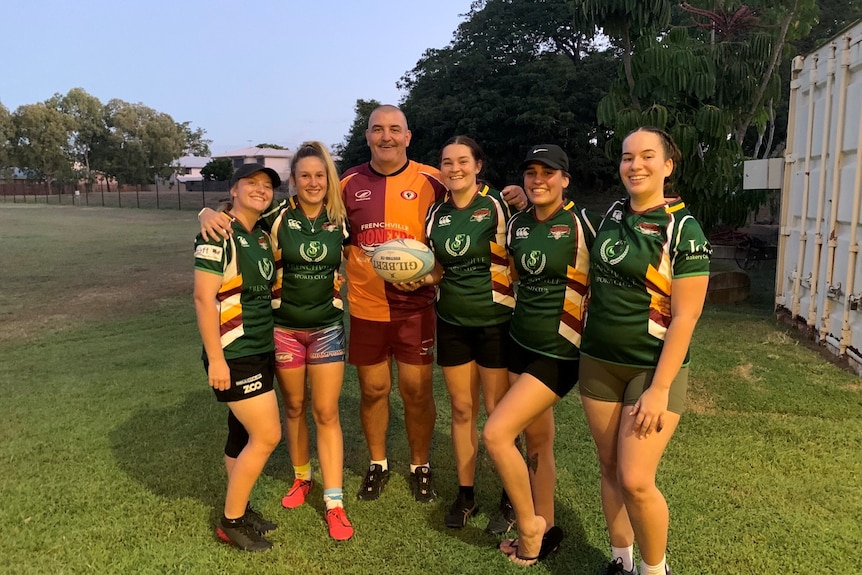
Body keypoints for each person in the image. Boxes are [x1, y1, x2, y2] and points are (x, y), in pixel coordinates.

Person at [340, 105, 528, 504]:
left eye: (395, 129)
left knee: (417, 392)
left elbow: (472, 193)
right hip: (367, 307)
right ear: (368, 135)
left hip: (418, 307)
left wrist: (516, 193)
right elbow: (312, 216)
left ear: (408, 136)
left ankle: (420, 465)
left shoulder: (433, 179)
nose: (386, 136)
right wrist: (214, 212)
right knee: (373, 390)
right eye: (378, 130)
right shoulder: (347, 182)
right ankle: (378, 463)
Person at [578, 127, 710, 575]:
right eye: (626, 157)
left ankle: (655, 571)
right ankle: (621, 560)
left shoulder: (683, 227)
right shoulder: (615, 212)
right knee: (610, 467)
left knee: (636, 480)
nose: (635, 165)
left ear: (667, 166)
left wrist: (659, 388)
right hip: (598, 361)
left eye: (647, 156)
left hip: (650, 370)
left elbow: (686, 318)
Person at [482, 144, 597, 566]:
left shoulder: (582, 223)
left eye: (548, 172)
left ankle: (528, 525)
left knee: (495, 434)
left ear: (564, 179)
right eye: (531, 172)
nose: (538, 180)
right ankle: (547, 526)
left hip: (560, 351)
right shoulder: (518, 226)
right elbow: (510, 278)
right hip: (520, 344)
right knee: (537, 440)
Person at [399, 135, 515, 529]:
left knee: (498, 414)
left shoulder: (498, 205)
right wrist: (417, 277)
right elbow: (437, 269)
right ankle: (466, 496)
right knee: (462, 410)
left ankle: (509, 498)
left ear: (478, 165)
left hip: (496, 323)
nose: (455, 169)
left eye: (463, 161)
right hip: (451, 322)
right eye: (447, 162)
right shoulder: (437, 213)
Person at [264, 142, 353, 541]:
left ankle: (334, 502)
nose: (313, 182)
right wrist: (206, 210)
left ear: (327, 178)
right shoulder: (277, 217)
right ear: (293, 181)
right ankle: (302, 478)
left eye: (320, 175)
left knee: (326, 411)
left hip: (327, 328)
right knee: (295, 406)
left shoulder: (340, 218)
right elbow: (233, 221)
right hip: (283, 329)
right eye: (305, 176)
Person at [193, 163, 283, 552]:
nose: (261, 190)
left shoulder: (261, 233)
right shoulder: (218, 233)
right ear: (234, 189)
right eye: (252, 183)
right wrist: (216, 360)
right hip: (234, 352)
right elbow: (202, 298)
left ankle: (241, 508)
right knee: (268, 435)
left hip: (261, 346)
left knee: (242, 434)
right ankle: (231, 521)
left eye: (267, 186)